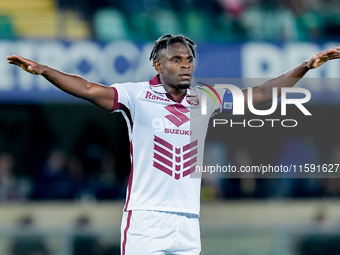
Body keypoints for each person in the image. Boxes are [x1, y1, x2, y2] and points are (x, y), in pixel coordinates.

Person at [7, 34, 340, 255]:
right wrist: (44, 70)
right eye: (177, 59)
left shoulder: (206, 96)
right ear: (158, 65)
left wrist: (304, 67)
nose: (186, 65)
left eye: (190, 60)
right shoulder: (136, 95)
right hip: (146, 218)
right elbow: (89, 89)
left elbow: (263, 94)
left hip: (187, 220)